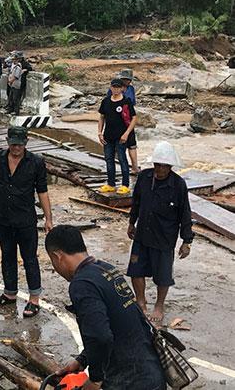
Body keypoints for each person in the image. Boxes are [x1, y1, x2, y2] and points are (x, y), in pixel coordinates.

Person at [45, 225, 166, 390]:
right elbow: (120, 324)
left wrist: (95, 379)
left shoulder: (82, 284)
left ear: (57, 256)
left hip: (129, 381)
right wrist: (82, 360)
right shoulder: (107, 269)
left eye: (52, 262)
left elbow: (100, 336)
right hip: (151, 372)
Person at [0, 126, 53, 318]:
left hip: (26, 219)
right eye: (13, 144)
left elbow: (42, 191)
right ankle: (9, 293)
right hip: (4, 217)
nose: (16, 148)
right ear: (7, 141)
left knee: (30, 258)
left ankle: (34, 298)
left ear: (26, 143)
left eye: (19, 144)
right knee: (7, 255)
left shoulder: (36, 162)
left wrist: (48, 218)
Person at [127, 141, 193, 326]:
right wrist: (132, 223)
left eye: (164, 166)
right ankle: (140, 301)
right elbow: (137, 202)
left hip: (164, 237)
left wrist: (186, 241)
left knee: (163, 275)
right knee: (136, 269)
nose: (160, 169)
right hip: (143, 234)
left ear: (170, 167)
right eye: (157, 165)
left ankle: (159, 305)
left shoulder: (178, 185)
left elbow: (185, 214)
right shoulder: (144, 178)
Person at [98, 78, 137, 195]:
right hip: (108, 136)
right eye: (113, 87)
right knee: (109, 160)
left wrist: (126, 134)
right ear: (110, 88)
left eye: (118, 87)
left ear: (122, 89)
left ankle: (125, 185)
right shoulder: (105, 101)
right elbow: (101, 117)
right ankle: (111, 184)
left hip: (121, 137)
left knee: (122, 159)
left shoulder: (126, 102)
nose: (115, 89)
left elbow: (134, 118)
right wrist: (99, 132)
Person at [107, 69, 139, 173]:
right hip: (122, 122)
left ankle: (134, 167)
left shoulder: (130, 89)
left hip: (126, 122)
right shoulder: (129, 89)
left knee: (130, 146)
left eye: (128, 80)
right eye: (126, 80)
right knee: (126, 146)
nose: (128, 82)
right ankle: (130, 168)